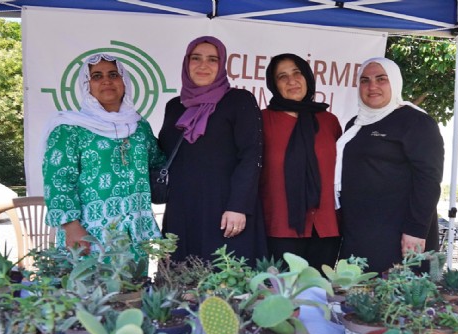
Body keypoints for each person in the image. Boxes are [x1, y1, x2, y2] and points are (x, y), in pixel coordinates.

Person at [42, 53, 165, 264]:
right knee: (87, 292)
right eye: (97, 76)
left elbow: (158, 162)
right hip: (88, 233)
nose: (106, 81)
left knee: (132, 293)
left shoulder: (138, 126)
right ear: (87, 85)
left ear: (124, 82)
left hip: (133, 234)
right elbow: (58, 181)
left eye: (113, 74)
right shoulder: (70, 128)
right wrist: (71, 227)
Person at [157, 36, 267, 264]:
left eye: (212, 59)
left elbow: (251, 155)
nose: (203, 65)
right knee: (181, 280)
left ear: (222, 65)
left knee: (227, 282)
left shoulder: (239, 100)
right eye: (196, 58)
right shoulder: (175, 106)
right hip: (183, 209)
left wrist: (238, 206)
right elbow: (164, 154)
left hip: (226, 209)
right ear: (186, 63)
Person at [335, 57, 444, 274]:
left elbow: (429, 180)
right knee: (360, 296)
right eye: (365, 80)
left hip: (398, 231)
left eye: (381, 79)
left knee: (398, 298)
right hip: (360, 229)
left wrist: (415, 229)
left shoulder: (416, 123)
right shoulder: (355, 124)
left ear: (395, 82)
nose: (372, 86)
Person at [259, 53, 342, 270]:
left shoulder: (329, 121)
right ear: (273, 84)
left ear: (307, 77)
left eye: (297, 73)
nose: (292, 81)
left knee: (318, 298)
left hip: (325, 228)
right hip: (280, 227)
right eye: (282, 76)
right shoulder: (263, 120)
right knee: (283, 299)